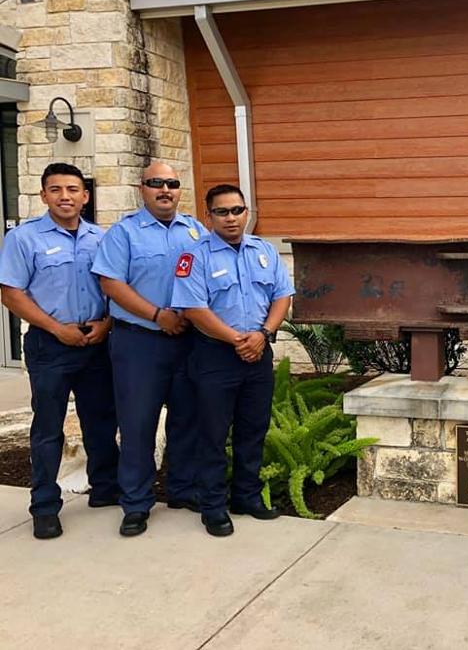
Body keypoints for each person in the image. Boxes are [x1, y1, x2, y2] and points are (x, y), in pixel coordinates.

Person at [0, 162, 119, 539]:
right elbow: (11, 293)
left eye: (72, 189)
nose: (64, 196)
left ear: (85, 196)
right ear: (43, 195)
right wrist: (56, 329)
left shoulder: (101, 238)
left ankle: (106, 489)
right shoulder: (24, 238)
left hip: (96, 341)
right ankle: (45, 507)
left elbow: (115, 287)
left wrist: (107, 324)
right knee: (48, 428)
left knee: (101, 420)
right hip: (49, 344)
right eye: (56, 189)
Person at [91, 162, 208, 537]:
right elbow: (111, 284)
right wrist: (159, 316)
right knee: (138, 424)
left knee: (187, 418)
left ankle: (183, 489)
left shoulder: (195, 230)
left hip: (188, 340)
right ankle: (136, 502)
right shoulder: (124, 233)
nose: (165, 189)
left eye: (172, 183)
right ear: (142, 188)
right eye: (156, 183)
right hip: (139, 342)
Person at [171, 184, 293, 537]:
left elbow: (282, 296)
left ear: (246, 213)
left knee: (253, 429)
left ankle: (246, 496)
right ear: (208, 216)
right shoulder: (194, 257)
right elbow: (193, 308)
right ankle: (213, 506)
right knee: (212, 434)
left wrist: (263, 334)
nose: (231, 218)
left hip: (258, 351)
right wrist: (237, 340)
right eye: (222, 212)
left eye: (237, 210)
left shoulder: (264, 251)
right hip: (215, 355)